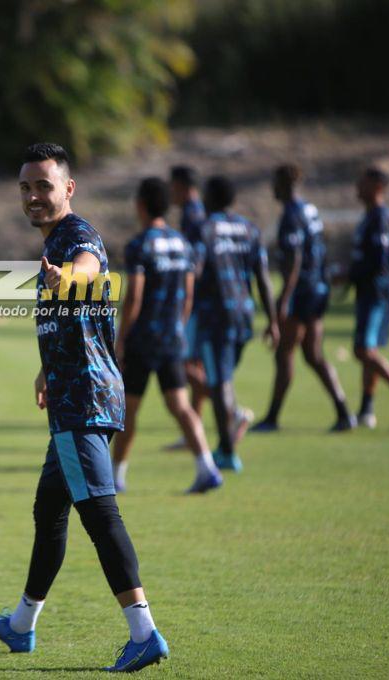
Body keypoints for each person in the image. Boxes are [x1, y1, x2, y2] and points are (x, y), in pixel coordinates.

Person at [0, 143, 168, 673]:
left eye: (44, 186)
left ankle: (144, 632)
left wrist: (70, 277)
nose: (33, 196)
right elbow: (74, 321)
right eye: (26, 187)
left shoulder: (77, 237)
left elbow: (87, 267)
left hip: (83, 402)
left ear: (68, 189)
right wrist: (46, 369)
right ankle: (20, 625)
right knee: (49, 510)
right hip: (75, 395)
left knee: (100, 514)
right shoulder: (54, 240)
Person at [111, 177, 221, 494]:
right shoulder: (182, 243)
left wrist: (121, 340)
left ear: (140, 205)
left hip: (143, 339)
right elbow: (189, 295)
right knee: (181, 406)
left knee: (128, 409)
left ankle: (116, 477)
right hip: (172, 338)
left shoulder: (140, 245)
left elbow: (135, 297)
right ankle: (207, 467)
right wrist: (178, 328)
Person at [253, 164, 355, 433]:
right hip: (318, 288)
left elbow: (294, 260)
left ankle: (272, 418)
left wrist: (284, 299)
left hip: (302, 292)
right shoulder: (310, 210)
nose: (272, 189)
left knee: (284, 353)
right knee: (313, 355)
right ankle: (344, 413)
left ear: (284, 184)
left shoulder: (291, 215)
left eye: (275, 183)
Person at [192, 176, 278, 471]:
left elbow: (194, 271)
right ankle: (230, 432)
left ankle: (227, 451)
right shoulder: (249, 229)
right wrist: (273, 320)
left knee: (218, 382)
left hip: (215, 315)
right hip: (244, 314)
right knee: (222, 377)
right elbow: (263, 278)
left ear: (211, 198)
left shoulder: (204, 229)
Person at [348, 168, 389, 429]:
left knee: (363, 350)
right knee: (369, 350)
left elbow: (379, 262)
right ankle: (367, 409)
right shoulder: (369, 216)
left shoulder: (381, 217)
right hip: (367, 291)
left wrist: (349, 274)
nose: (358, 187)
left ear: (377, 186)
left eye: (363, 183)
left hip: (377, 293)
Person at [164, 165, 211, 449]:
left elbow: (195, 265)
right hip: (201, 302)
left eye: (172, 186)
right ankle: (194, 432)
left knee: (180, 362)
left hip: (193, 302)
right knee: (193, 364)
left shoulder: (193, 216)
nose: (170, 192)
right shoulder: (195, 212)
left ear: (181, 185)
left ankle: (230, 410)